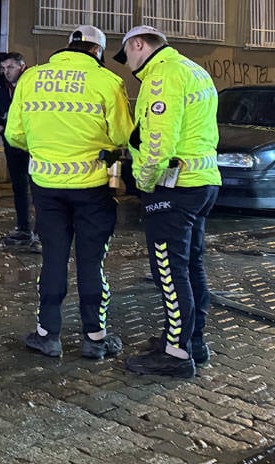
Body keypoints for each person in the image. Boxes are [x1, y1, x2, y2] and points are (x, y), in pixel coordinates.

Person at [5, 26, 133, 360]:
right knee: (92, 263)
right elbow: (122, 136)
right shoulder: (107, 82)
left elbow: (14, 134)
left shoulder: (31, 78)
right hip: (92, 188)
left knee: (53, 260)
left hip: (46, 189)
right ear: (98, 52)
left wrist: (47, 151)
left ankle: (48, 335)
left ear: (68, 46)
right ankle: (94, 338)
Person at [115, 25, 221, 379]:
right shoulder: (193, 68)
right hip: (203, 182)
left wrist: (143, 184)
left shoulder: (162, 76)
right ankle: (193, 341)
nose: (126, 63)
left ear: (138, 45)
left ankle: (176, 355)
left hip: (174, 188)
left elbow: (158, 141)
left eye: (126, 54)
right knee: (191, 265)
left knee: (169, 271)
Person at [0, 52, 34, 247]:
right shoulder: (2, 88)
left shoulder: (32, 83)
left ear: (22, 66)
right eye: (4, 68)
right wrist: (0, 127)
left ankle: (41, 232)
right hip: (12, 143)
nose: (6, 72)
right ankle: (23, 227)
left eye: (10, 67)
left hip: (33, 143)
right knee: (19, 187)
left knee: (38, 187)